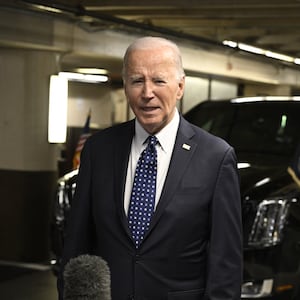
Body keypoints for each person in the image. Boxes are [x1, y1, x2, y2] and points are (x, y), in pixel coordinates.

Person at [58, 36, 242, 300]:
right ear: (125, 86)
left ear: (180, 86)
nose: (147, 93)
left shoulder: (216, 157)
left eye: (159, 80)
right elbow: (77, 247)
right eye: (136, 80)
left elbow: (226, 265)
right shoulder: (98, 150)